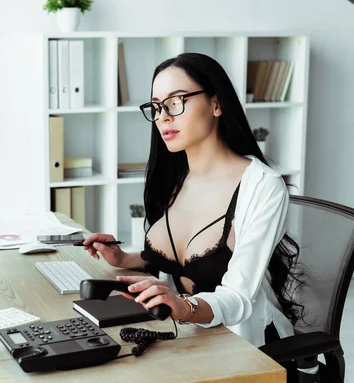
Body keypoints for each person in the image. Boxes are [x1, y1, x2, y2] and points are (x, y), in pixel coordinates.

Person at [82, 52, 302, 348]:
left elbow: (238, 297)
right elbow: (179, 263)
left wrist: (185, 307)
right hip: (187, 335)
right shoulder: (174, 177)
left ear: (217, 103)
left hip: (247, 345)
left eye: (176, 102)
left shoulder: (262, 187)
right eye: (157, 107)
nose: (164, 117)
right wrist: (125, 259)